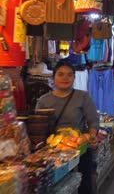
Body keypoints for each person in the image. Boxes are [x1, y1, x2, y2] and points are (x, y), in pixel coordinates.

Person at [36, 60, 99, 194]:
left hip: (79, 150)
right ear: (53, 78)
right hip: (53, 153)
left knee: (84, 186)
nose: (65, 78)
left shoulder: (82, 97)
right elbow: (38, 127)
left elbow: (93, 121)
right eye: (61, 74)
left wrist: (92, 136)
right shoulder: (43, 101)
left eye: (69, 75)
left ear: (74, 78)